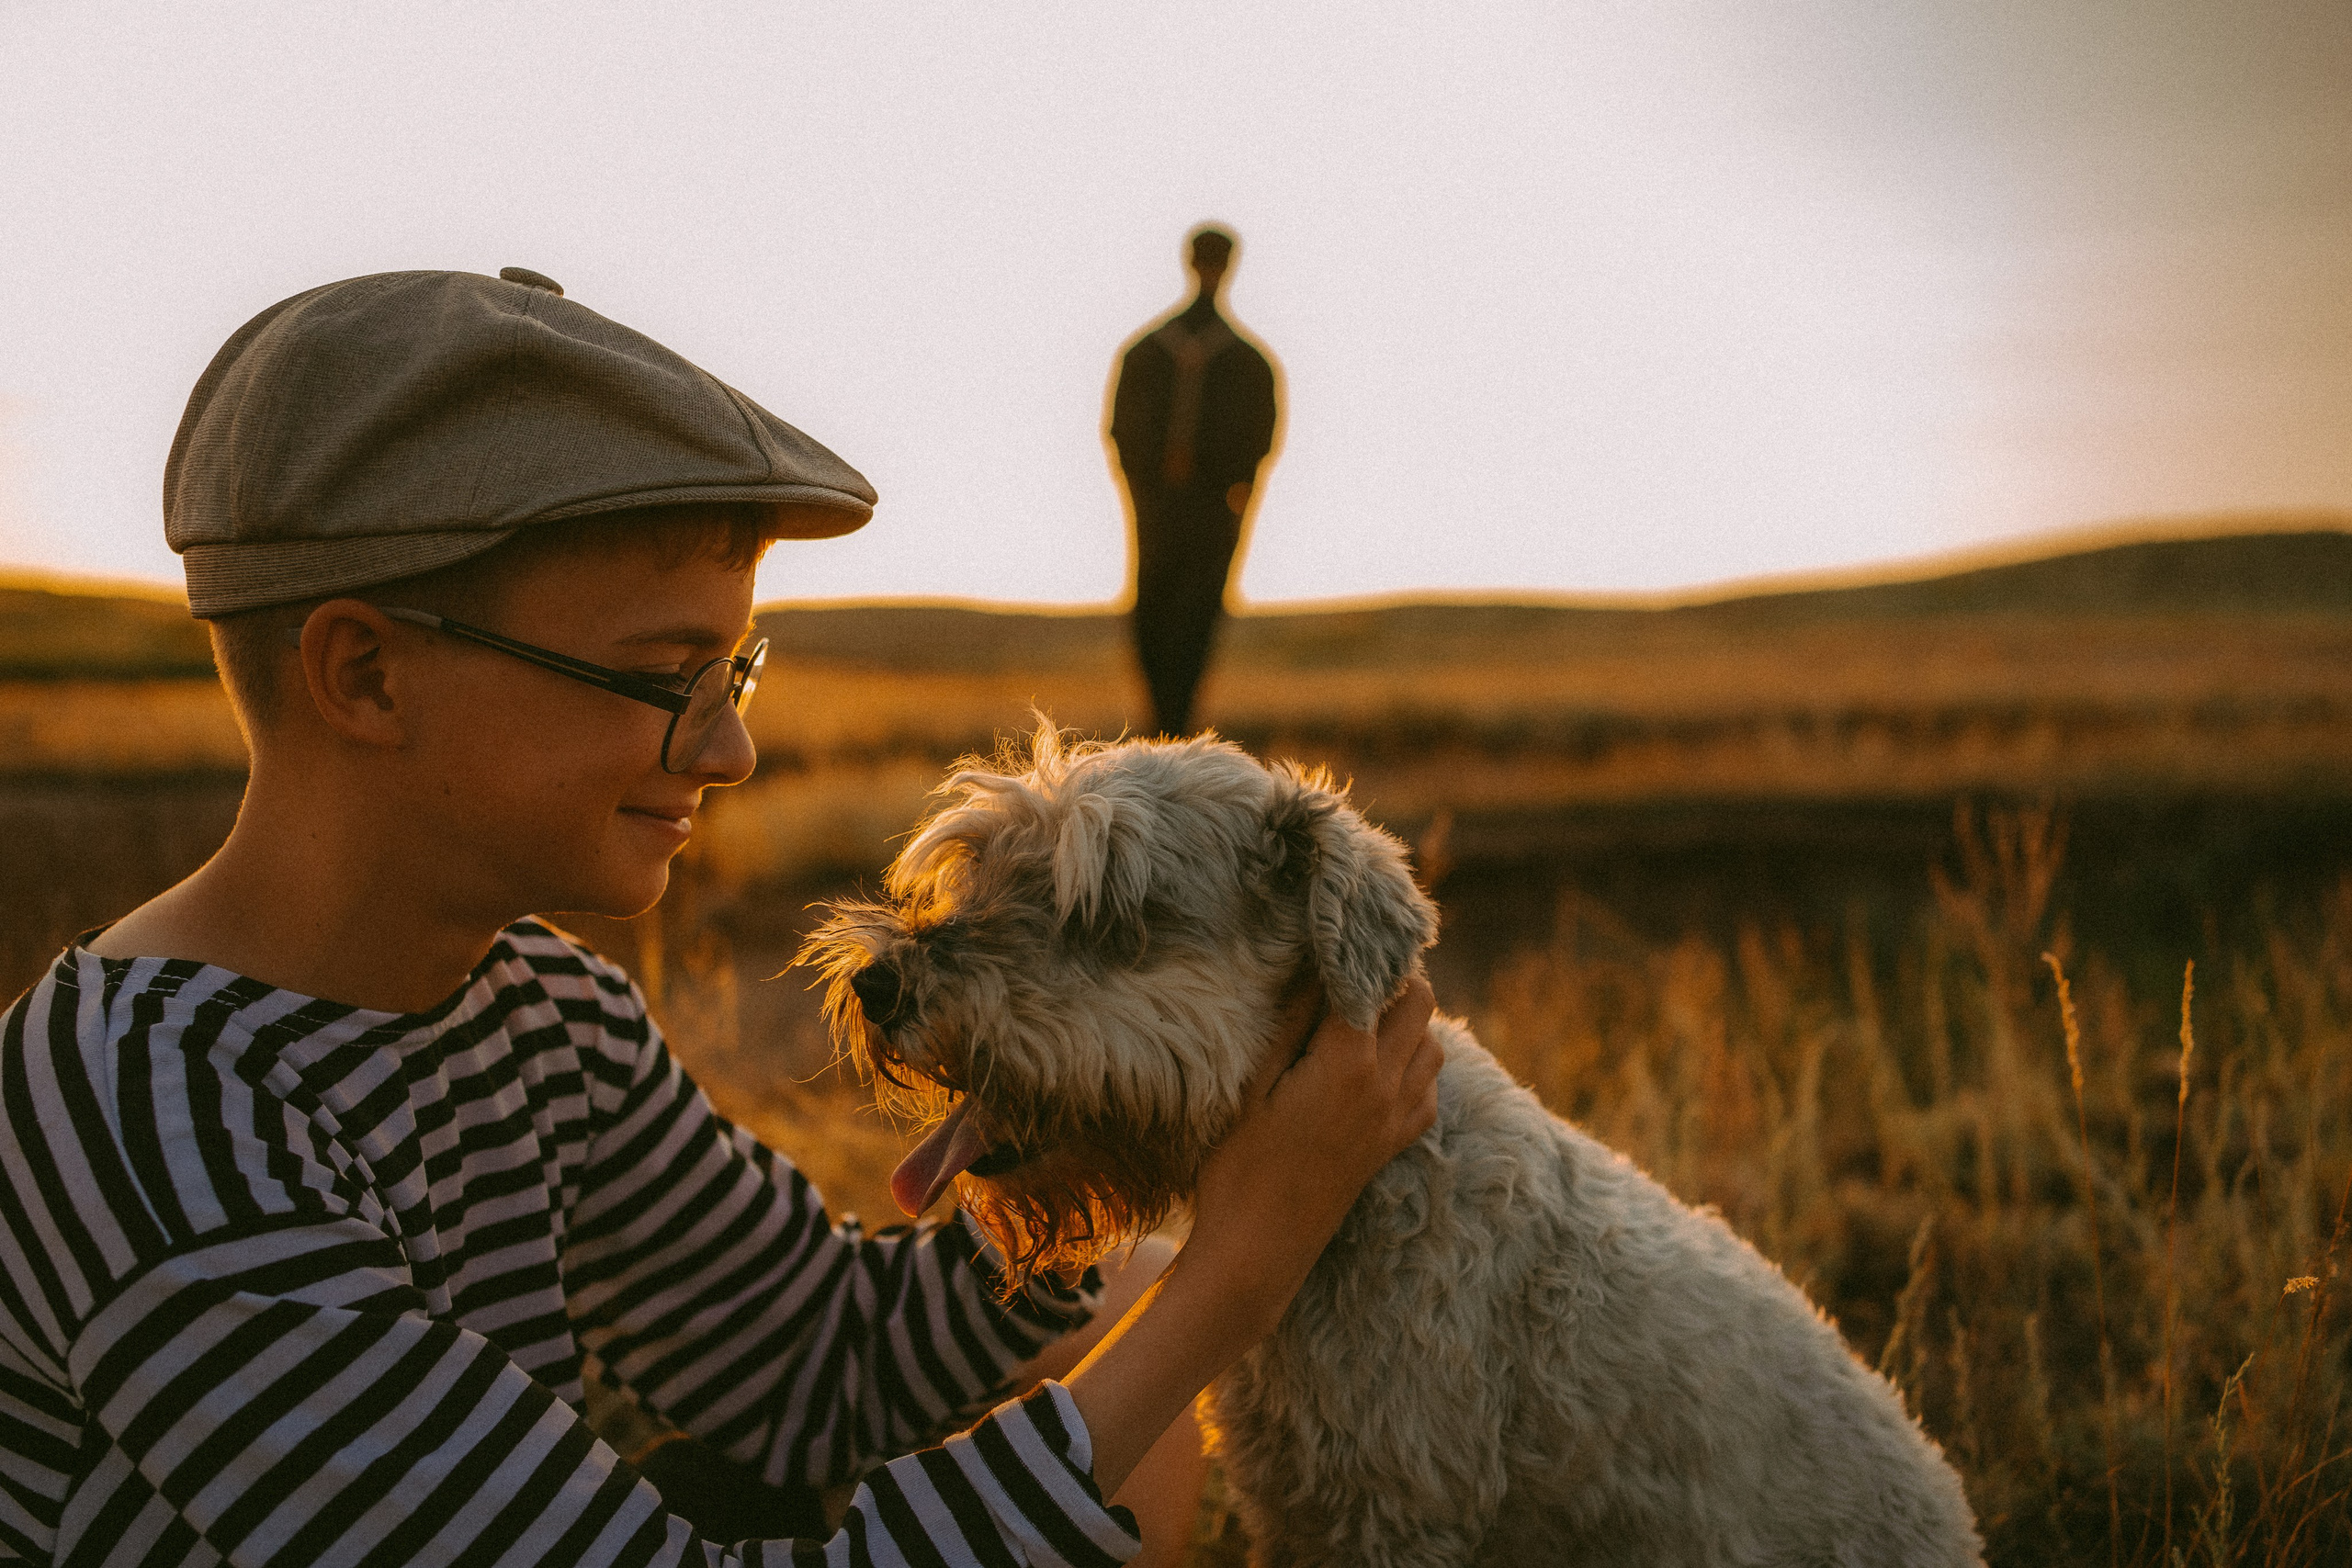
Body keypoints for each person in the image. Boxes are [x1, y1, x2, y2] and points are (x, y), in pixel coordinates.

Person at [0, 266, 1439, 1566]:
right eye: (665, 673)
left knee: (1104, 1293)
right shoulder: (147, 1117)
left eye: (735, 672)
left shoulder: (541, 1011)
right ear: (368, 676)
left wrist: (1154, 1153)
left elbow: (818, 1358)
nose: (725, 750)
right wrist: (1237, 1272)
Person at [1109, 226, 1281, 736]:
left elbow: (1259, 442)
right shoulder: (1151, 352)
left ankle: (1175, 727)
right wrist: (1145, 493)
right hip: (1166, 510)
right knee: (1158, 618)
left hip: (1205, 511)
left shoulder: (1245, 361)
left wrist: (1232, 499)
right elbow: (1123, 433)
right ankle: (1163, 725)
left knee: (1189, 619)